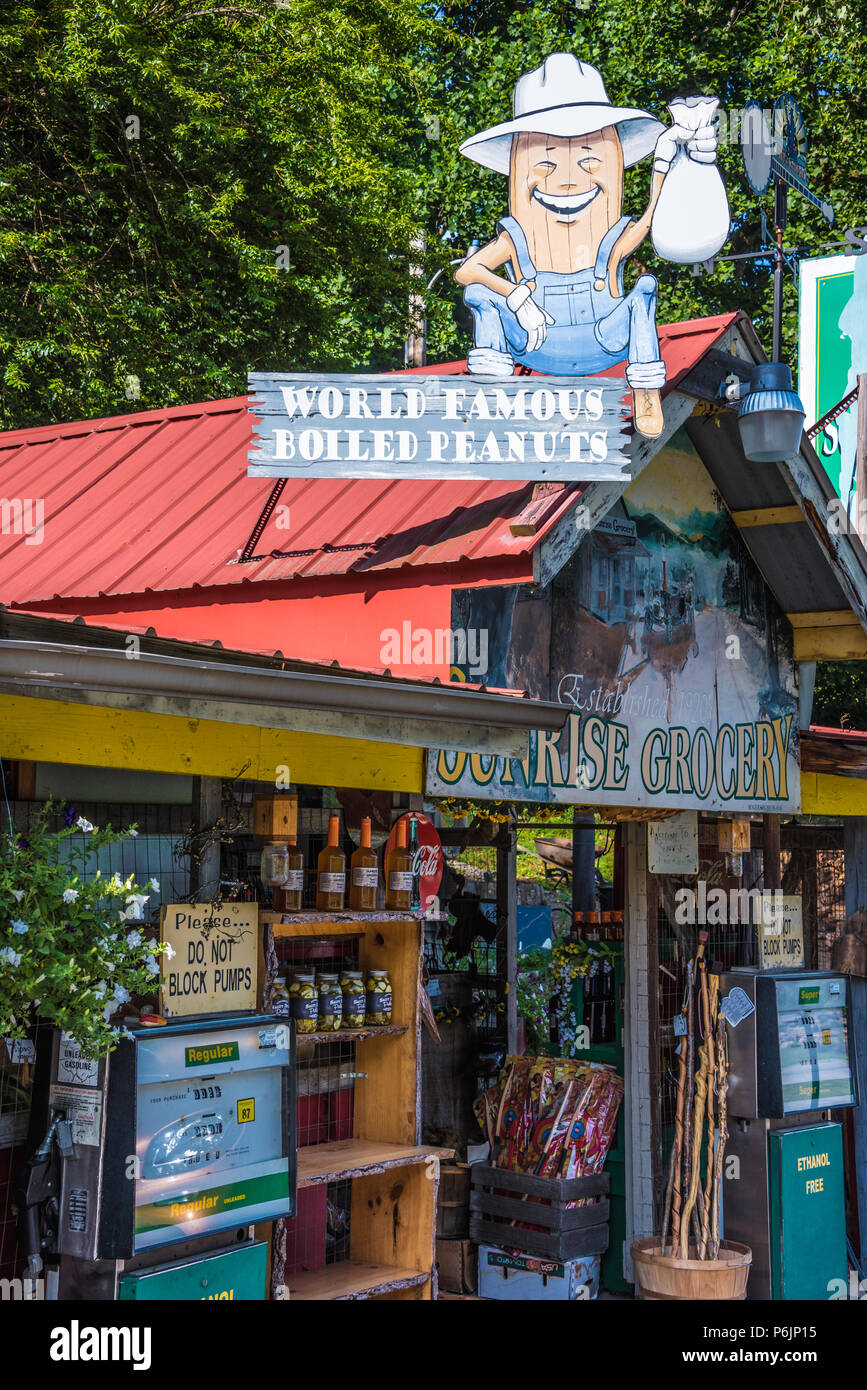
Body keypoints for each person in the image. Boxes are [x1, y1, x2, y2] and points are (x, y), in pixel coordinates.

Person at [456, 54, 720, 438]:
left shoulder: (609, 242)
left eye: (589, 162)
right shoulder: (518, 239)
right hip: (533, 342)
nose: (566, 182)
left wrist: (665, 163)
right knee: (481, 293)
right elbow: (467, 272)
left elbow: (649, 220)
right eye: (546, 166)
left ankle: (645, 388)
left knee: (644, 290)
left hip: (601, 339)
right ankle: (490, 392)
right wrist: (515, 296)